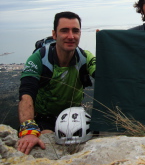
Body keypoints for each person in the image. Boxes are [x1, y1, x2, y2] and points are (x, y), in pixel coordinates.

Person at [17, 11, 96, 154]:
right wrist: (28, 130)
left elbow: (105, 74)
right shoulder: (39, 58)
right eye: (64, 31)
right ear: (54, 34)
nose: (71, 36)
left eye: (75, 31)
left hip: (74, 117)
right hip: (43, 118)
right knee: (49, 145)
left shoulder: (84, 57)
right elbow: (27, 92)